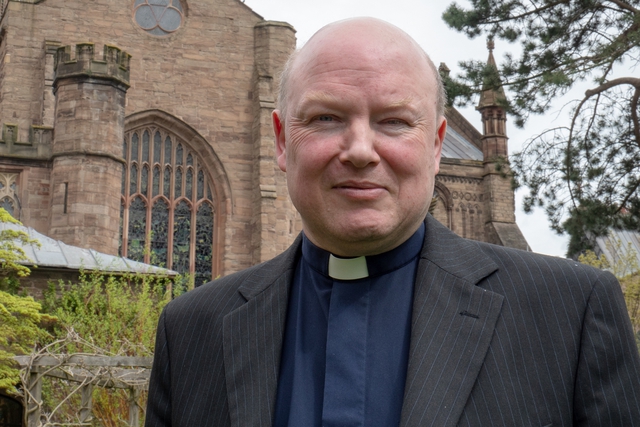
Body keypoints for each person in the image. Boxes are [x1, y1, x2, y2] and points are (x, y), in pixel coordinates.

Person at [145, 18, 640, 427]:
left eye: (395, 121)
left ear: (437, 143)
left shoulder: (569, 314)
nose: (360, 151)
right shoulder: (191, 332)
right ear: (280, 140)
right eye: (325, 118)